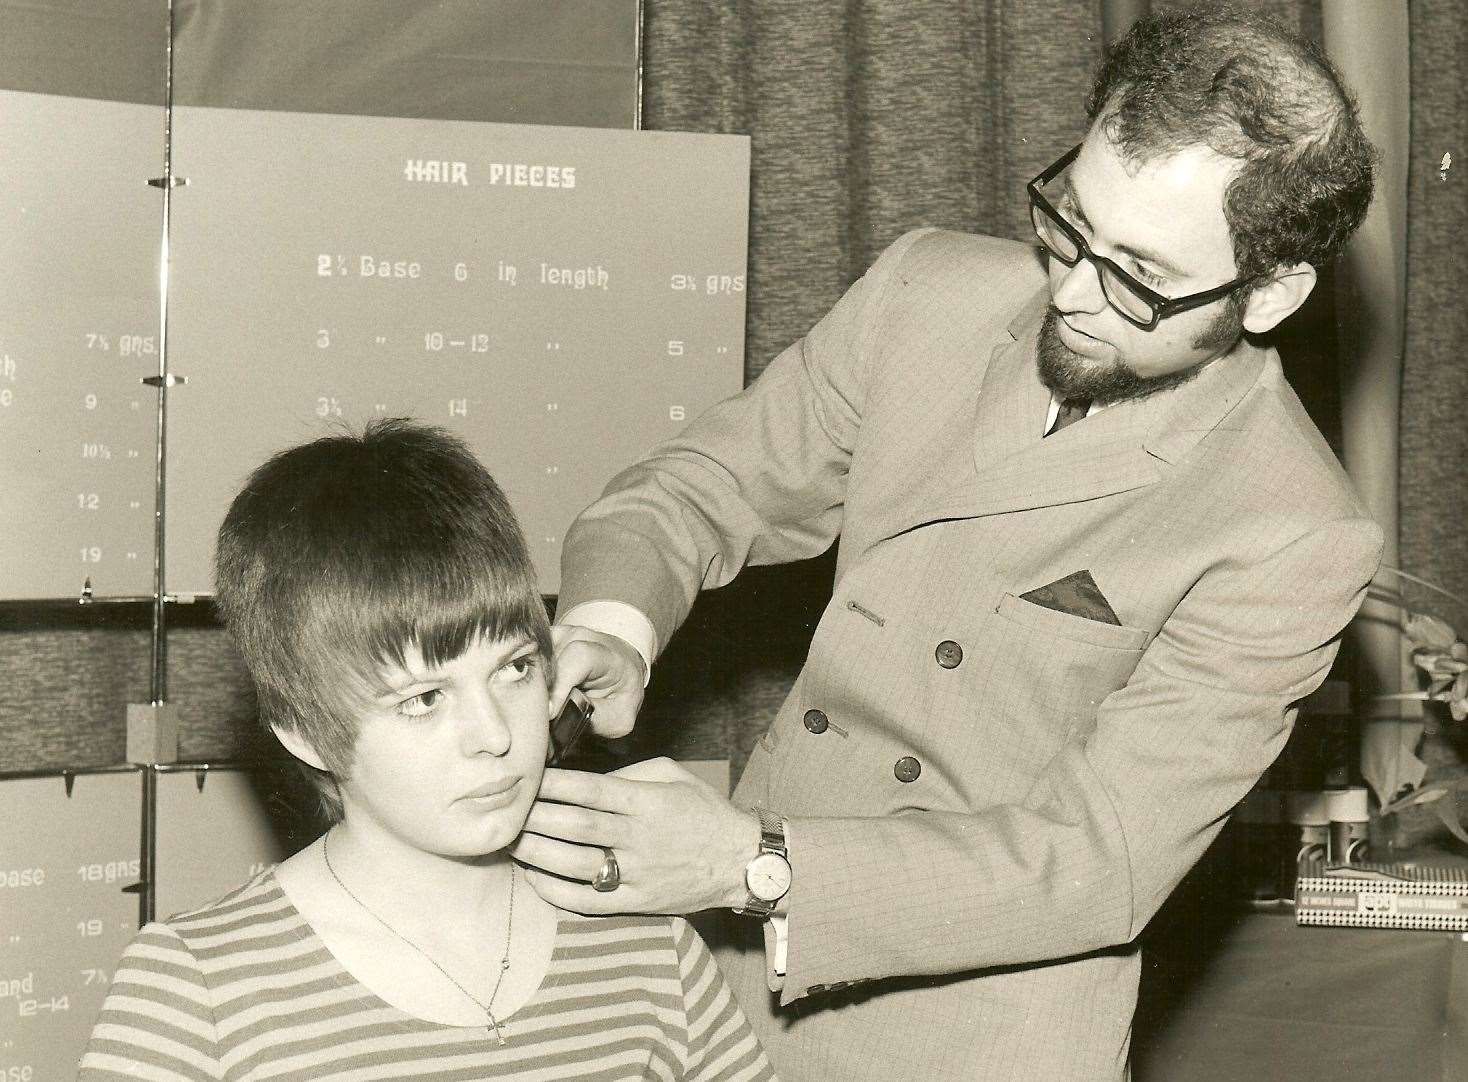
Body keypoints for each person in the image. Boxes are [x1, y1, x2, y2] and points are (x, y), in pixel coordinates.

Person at [510, 7, 1383, 1081]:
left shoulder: (1292, 528)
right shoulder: (926, 293)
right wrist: (614, 622)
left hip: (975, 1034)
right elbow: (707, 483)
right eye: (1071, 222)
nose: (1067, 291)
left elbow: (1097, 857)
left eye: (1139, 274)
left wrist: (754, 863)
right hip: (728, 985)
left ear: (1269, 293)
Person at [78, 420, 776, 1080]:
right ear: (304, 729)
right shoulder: (196, 988)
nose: (496, 736)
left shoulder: (649, 944)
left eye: (516, 668)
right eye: (422, 699)